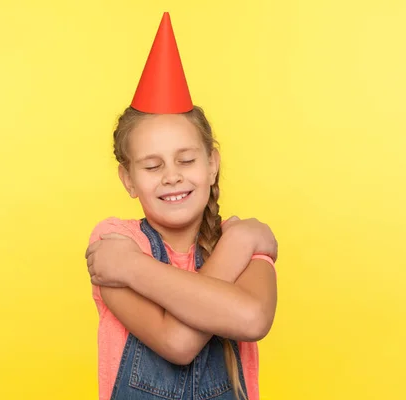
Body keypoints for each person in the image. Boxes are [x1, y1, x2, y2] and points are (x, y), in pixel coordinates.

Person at [85, 12, 278, 400]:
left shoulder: (124, 260)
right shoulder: (116, 244)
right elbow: (177, 342)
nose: (171, 176)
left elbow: (254, 318)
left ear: (212, 165)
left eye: (186, 160)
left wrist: (131, 271)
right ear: (128, 179)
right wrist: (238, 246)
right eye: (153, 166)